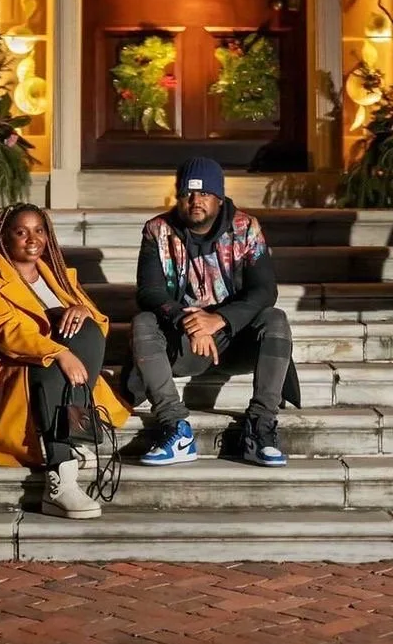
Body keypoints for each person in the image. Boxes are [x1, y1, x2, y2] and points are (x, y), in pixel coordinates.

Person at [125, 157, 299, 468]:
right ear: (178, 196)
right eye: (188, 194)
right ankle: (175, 426)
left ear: (219, 197)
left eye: (204, 194)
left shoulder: (246, 229)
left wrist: (218, 319)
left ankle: (259, 428)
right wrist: (189, 322)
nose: (195, 201)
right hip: (184, 344)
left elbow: (264, 290)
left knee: (275, 318)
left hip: (236, 341)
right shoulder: (158, 231)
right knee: (143, 322)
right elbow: (149, 292)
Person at [0, 202, 129, 519]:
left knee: (88, 330)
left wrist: (81, 310)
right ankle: (60, 478)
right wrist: (59, 352)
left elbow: (98, 323)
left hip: (58, 368)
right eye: (21, 232)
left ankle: (74, 435)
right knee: (52, 364)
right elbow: (8, 334)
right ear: (5, 237)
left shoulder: (59, 276)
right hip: (11, 370)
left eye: (39, 231)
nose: (32, 238)